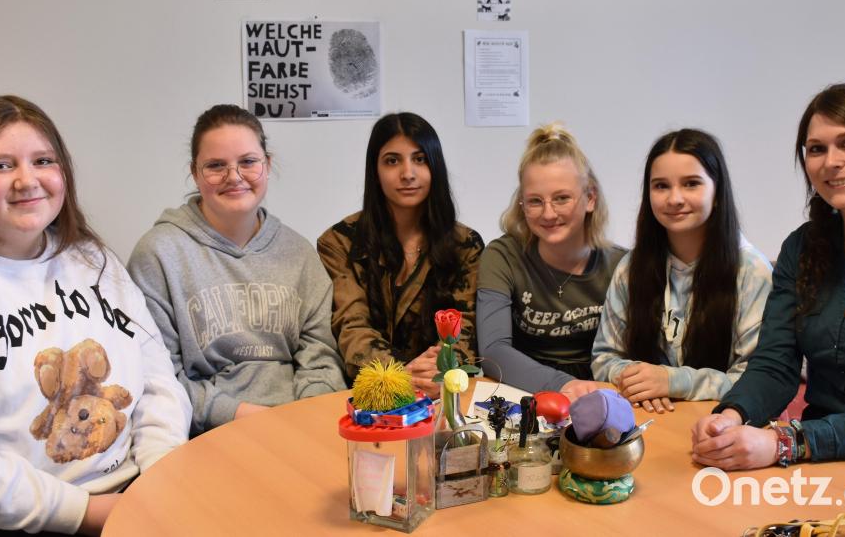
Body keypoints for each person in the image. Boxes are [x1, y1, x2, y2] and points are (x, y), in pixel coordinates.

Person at [0, 95, 191, 534]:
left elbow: (159, 384)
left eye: (43, 160)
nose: (27, 181)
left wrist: (161, 480)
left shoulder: (94, 259)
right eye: (0, 165)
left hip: (139, 492)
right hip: (16, 522)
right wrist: (95, 514)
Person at [692, 83, 845, 490]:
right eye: (816, 149)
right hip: (818, 465)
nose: (832, 162)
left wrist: (783, 443)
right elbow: (775, 366)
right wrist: (730, 417)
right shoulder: (802, 247)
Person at [127, 104, 345, 436]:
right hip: (206, 435)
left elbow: (321, 358)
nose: (234, 176)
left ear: (267, 165)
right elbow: (158, 376)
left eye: (248, 162)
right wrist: (247, 416)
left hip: (299, 424)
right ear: (195, 172)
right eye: (216, 165)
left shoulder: (299, 254)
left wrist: (304, 417)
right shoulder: (159, 254)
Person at [591, 129, 772, 414]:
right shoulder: (631, 267)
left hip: (721, 424)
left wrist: (674, 382)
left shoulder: (753, 272)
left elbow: (757, 379)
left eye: (691, 184)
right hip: (647, 419)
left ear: (718, 193)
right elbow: (604, 358)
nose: (674, 198)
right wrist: (644, 381)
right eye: (661, 186)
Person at [317, 112, 484, 398]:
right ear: (376, 170)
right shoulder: (340, 241)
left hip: (443, 391)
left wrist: (440, 369)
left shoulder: (465, 244)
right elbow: (352, 325)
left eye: (420, 159)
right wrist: (398, 375)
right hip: (372, 392)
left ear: (435, 167)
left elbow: (466, 327)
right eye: (392, 161)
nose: (407, 173)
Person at [477, 123, 626, 399]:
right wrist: (561, 384)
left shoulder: (623, 266)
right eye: (535, 201)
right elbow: (493, 350)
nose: (548, 213)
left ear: (590, 198)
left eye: (561, 198)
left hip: (599, 389)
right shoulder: (502, 257)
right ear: (521, 204)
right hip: (524, 387)